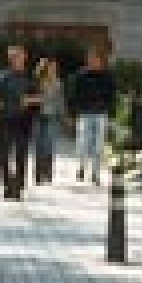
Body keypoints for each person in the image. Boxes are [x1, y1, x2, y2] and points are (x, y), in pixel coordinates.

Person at [0, 44, 39, 200]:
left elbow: (39, 97)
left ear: (24, 57)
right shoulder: (2, 77)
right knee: (3, 154)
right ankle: (7, 184)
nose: (17, 59)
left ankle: (18, 186)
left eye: (19, 56)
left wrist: (30, 100)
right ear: (10, 59)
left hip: (24, 121)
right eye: (14, 57)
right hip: (5, 119)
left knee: (21, 154)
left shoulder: (30, 78)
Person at [67, 46, 117, 184]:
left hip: (101, 114)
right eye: (90, 58)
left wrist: (112, 115)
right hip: (85, 113)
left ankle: (95, 173)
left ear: (100, 60)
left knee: (98, 146)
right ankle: (81, 167)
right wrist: (72, 114)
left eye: (95, 59)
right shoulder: (80, 76)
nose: (92, 61)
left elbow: (112, 97)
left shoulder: (107, 77)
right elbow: (73, 96)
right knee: (83, 143)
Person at [31, 57, 65, 185]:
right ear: (45, 68)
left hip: (51, 117)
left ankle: (48, 173)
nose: (54, 69)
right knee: (39, 145)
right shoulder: (37, 82)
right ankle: (38, 174)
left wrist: (64, 117)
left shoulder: (58, 83)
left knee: (48, 145)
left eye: (55, 68)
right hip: (37, 116)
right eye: (51, 67)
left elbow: (60, 101)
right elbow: (31, 97)